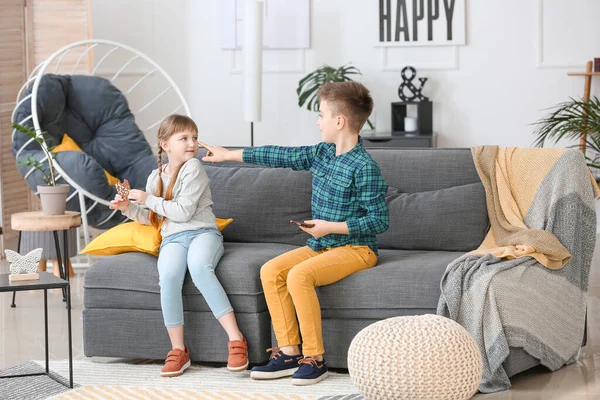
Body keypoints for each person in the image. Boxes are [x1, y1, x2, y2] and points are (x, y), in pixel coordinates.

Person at [201, 82, 389, 385]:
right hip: (322, 245)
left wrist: (331, 227)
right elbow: (279, 155)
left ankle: (315, 359)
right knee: (271, 270)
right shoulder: (322, 154)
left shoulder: (364, 167)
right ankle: (289, 353)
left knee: (299, 276)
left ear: (339, 121)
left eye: (321, 115)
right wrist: (228, 155)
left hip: (356, 249)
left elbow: (379, 220)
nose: (318, 121)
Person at [110, 114, 248, 377]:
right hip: (172, 238)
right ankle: (178, 350)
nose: (191, 143)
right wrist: (128, 208)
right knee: (169, 276)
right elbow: (153, 218)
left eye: (194, 137)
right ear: (165, 145)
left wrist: (149, 199)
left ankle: (235, 338)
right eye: (183, 138)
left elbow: (183, 211)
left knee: (199, 268)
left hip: (202, 233)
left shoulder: (193, 168)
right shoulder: (155, 177)